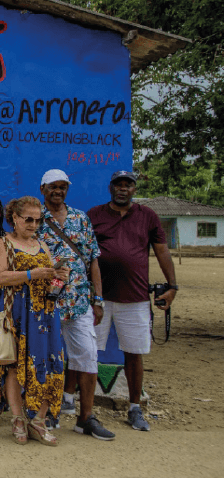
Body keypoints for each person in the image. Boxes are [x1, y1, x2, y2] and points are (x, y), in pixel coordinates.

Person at [88, 170, 177, 432]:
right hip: (99, 298)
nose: (123, 189)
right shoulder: (95, 215)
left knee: (134, 354)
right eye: (118, 184)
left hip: (135, 297)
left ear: (134, 189)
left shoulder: (147, 216)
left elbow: (162, 251)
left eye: (128, 185)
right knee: (87, 351)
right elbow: (82, 251)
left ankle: (134, 408)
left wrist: (172, 286)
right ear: (110, 187)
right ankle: (83, 408)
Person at [37, 169, 114, 440]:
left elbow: (92, 258)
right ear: (42, 188)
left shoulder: (80, 218)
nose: (58, 191)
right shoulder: (35, 219)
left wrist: (98, 299)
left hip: (80, 301)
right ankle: (46, 413)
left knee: (87, 356)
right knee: (46, 358)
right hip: (47, 302)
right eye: (53, 187)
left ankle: (85, 418)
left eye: (63, 186)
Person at [0, 196, 69, 446]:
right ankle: (17, 419)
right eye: (28, 219)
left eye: (38, 220)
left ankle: (39, 421)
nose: (34, 224)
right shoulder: (3, 244)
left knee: (48, 362)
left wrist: (59, 278)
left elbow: (51, 286)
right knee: (14, 365)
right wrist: (30, 274)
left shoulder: (42, 245)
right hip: (17, 312)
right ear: (14, 218)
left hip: (44, 313)